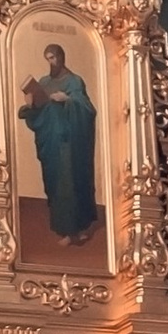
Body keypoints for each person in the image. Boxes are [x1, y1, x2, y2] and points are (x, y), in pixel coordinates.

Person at [19, 42, 99, 242]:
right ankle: (62, 227)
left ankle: (76, 229)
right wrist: (30, 105)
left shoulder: (74, 81)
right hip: (51, 141)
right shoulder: (44, 82)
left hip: (69, 143)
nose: (51, 62)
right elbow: (40, 109)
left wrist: (68, 100)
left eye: (53, 58)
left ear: (61, 57)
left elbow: (88, 110)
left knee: (70, 181)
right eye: (48, 59)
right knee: (55, 182)